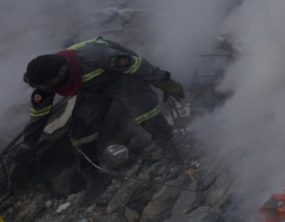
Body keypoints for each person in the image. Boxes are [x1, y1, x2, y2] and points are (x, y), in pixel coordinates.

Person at [16, 37, 185, 168]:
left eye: (48, 83)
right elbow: (38, 116)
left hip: (121, 79)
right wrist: (27, 146)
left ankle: (169, 149)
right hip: (91, 90)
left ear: (62, 71)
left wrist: (166, 83)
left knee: (145, 112)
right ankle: (91, 172)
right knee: (80, 130)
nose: (46, 88)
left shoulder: (95, 56)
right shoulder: (47, 80)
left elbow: (138, 66)